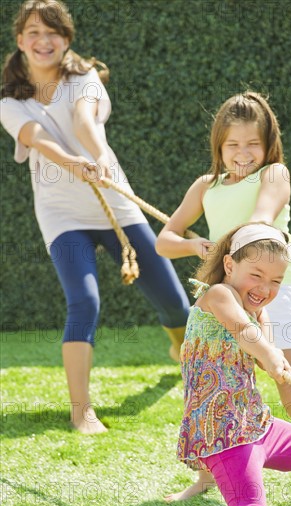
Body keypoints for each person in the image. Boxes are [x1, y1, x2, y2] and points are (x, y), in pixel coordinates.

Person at [0, 0, 189, 434]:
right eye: (33, 32)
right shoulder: (10, 102)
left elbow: (88, 123)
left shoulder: (83, 78)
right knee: (84, 301)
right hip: (63, 215)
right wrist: (74, 164)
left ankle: (179, 349)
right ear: (20, 40)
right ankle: (81, 409)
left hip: (116, 205)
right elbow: (39, 140)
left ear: (66, 39)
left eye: (53, 32)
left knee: (176, 304)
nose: (43, 41)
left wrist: (100, 157)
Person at [156, 91, 291, 506]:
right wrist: (195, 244)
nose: (242, 154)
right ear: (218, 147)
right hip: (226, 295)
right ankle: (208, 475)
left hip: (278, 288)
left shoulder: (274, 175)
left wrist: (230, 243)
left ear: (268, 145)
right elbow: (163, 241)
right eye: (232, 145)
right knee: (213, 382)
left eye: (252, 144)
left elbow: (261, 217)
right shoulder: (205, 186)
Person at [176, 222, 291, 506]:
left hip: (254, 424)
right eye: (257, 275)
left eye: (276, 281)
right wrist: (269, 350)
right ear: (229, 265)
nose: (265, 287)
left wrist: (269, 348)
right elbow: (242, 333)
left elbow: (264, 360)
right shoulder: (217, 295)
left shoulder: (257, 313)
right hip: (221, 434)